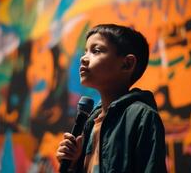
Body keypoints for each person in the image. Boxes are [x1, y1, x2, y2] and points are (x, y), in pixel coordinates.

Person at [56, 24, 167, 172]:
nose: (83, 58)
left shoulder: (141, 116)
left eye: (96, 51)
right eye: (85, 51)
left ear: (127, 64)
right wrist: (74, 165)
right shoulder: (90, 124)